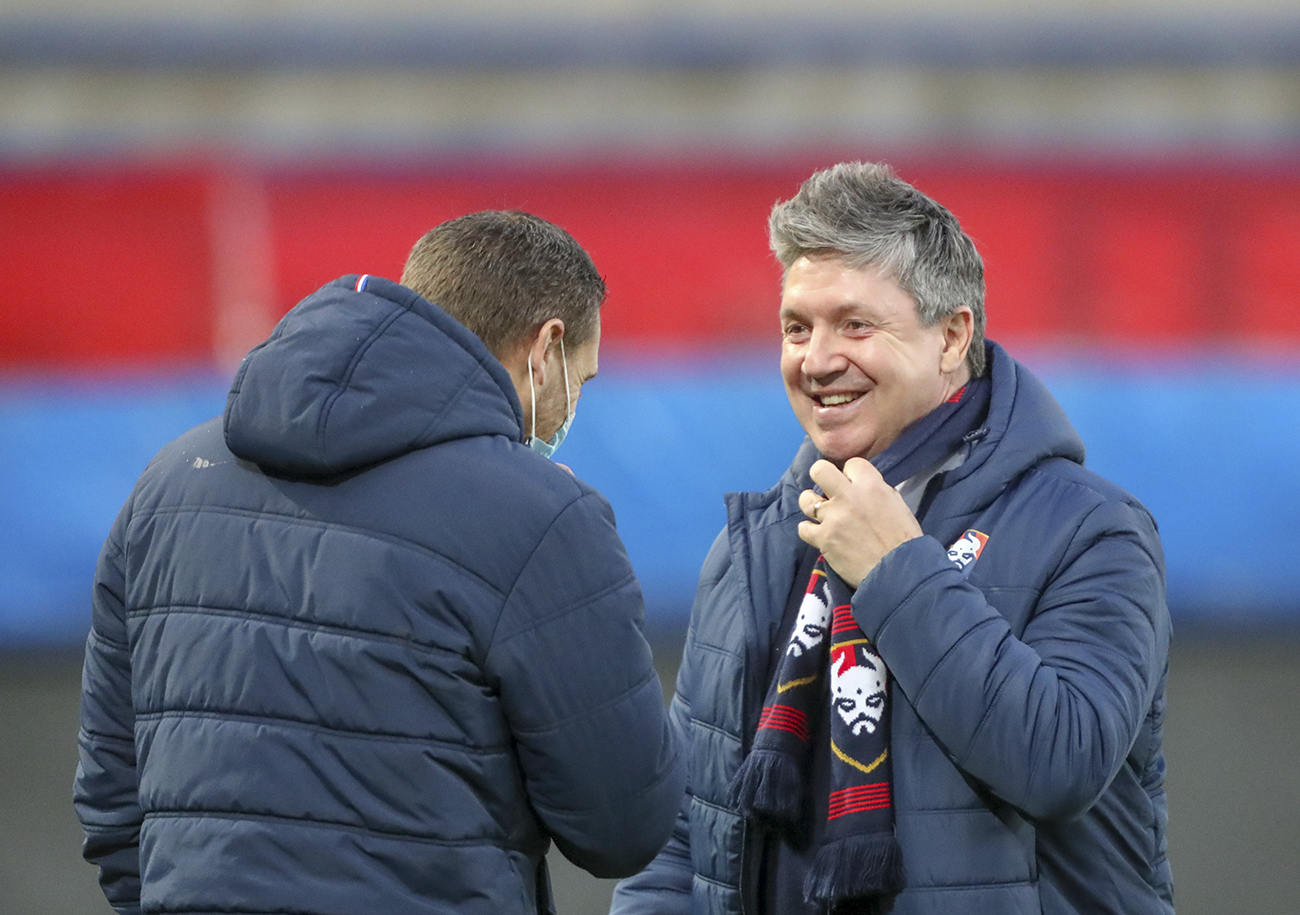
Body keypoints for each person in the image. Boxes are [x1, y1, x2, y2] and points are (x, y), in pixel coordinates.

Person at [74, 210, 684, 915]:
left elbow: (112, 798)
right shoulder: (543, 516)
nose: (576, 400)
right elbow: (623, 823)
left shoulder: (167, 482)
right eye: (585, 376)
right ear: (546, 349)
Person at [610, 162, 1173, 914]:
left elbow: (1060, 760)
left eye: (855, 324)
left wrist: (897, 568)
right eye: (796, 327)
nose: (816, 360)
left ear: (952, 337)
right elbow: (688, 832)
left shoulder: (1093, 530)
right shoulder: (756, 547)